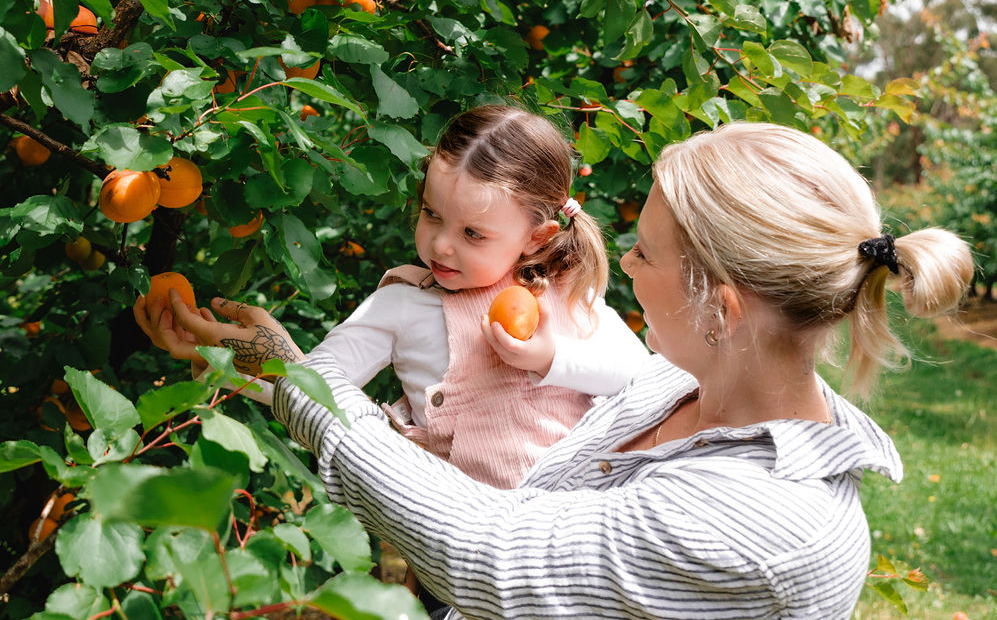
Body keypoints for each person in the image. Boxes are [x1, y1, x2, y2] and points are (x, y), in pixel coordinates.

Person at [138, 121, 974, 620]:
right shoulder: (672, 389)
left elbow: (491, 552)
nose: (620, 268)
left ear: (720, 306)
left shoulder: (763, 528)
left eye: (643, 253)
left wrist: (299, 383)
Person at [137, 104, 648, 491]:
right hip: (458, 545)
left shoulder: (567, 291)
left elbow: (642, 379)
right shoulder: (404, 303)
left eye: (473, 234)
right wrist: (223, 359)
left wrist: (548, 357)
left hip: (573, 526)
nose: (441, 244)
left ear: (537, 237)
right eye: (431, 215)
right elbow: (313, 391)